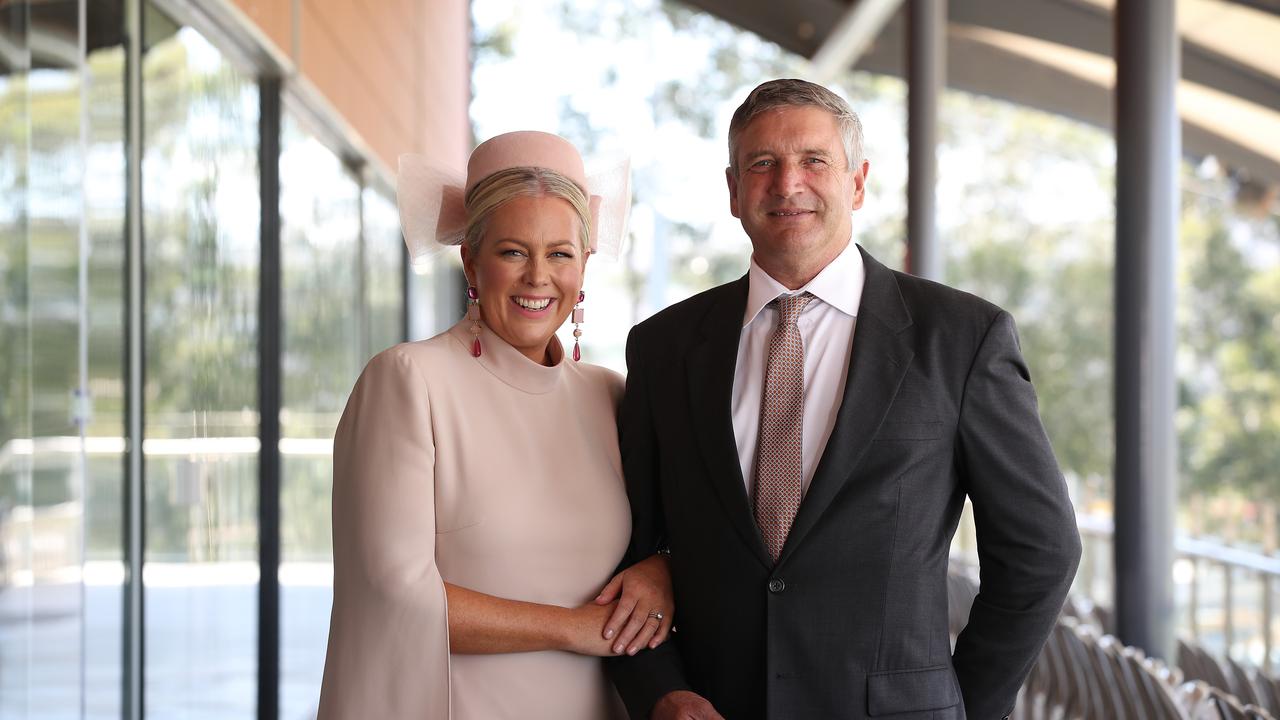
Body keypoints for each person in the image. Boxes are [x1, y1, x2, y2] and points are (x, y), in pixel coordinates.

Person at [605, 79, 1082, 720]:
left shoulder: (962, 339)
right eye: (762, 164)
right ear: (733, 190)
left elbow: (1041, 551)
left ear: (857, 182)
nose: (786, 183)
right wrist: (661, 691)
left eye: (813, 161)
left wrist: (960, 708)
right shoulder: (662, 347)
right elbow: (631, 548)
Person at [317, 131, 673, 719]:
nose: (538, 276)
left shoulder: (611, 394)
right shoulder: (407, 380)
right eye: (513, 251)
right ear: (471, 261)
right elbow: (392, 594)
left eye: (559, 253)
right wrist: (575, 629)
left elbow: (665, 538)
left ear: (584, 265)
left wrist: (662, 570)